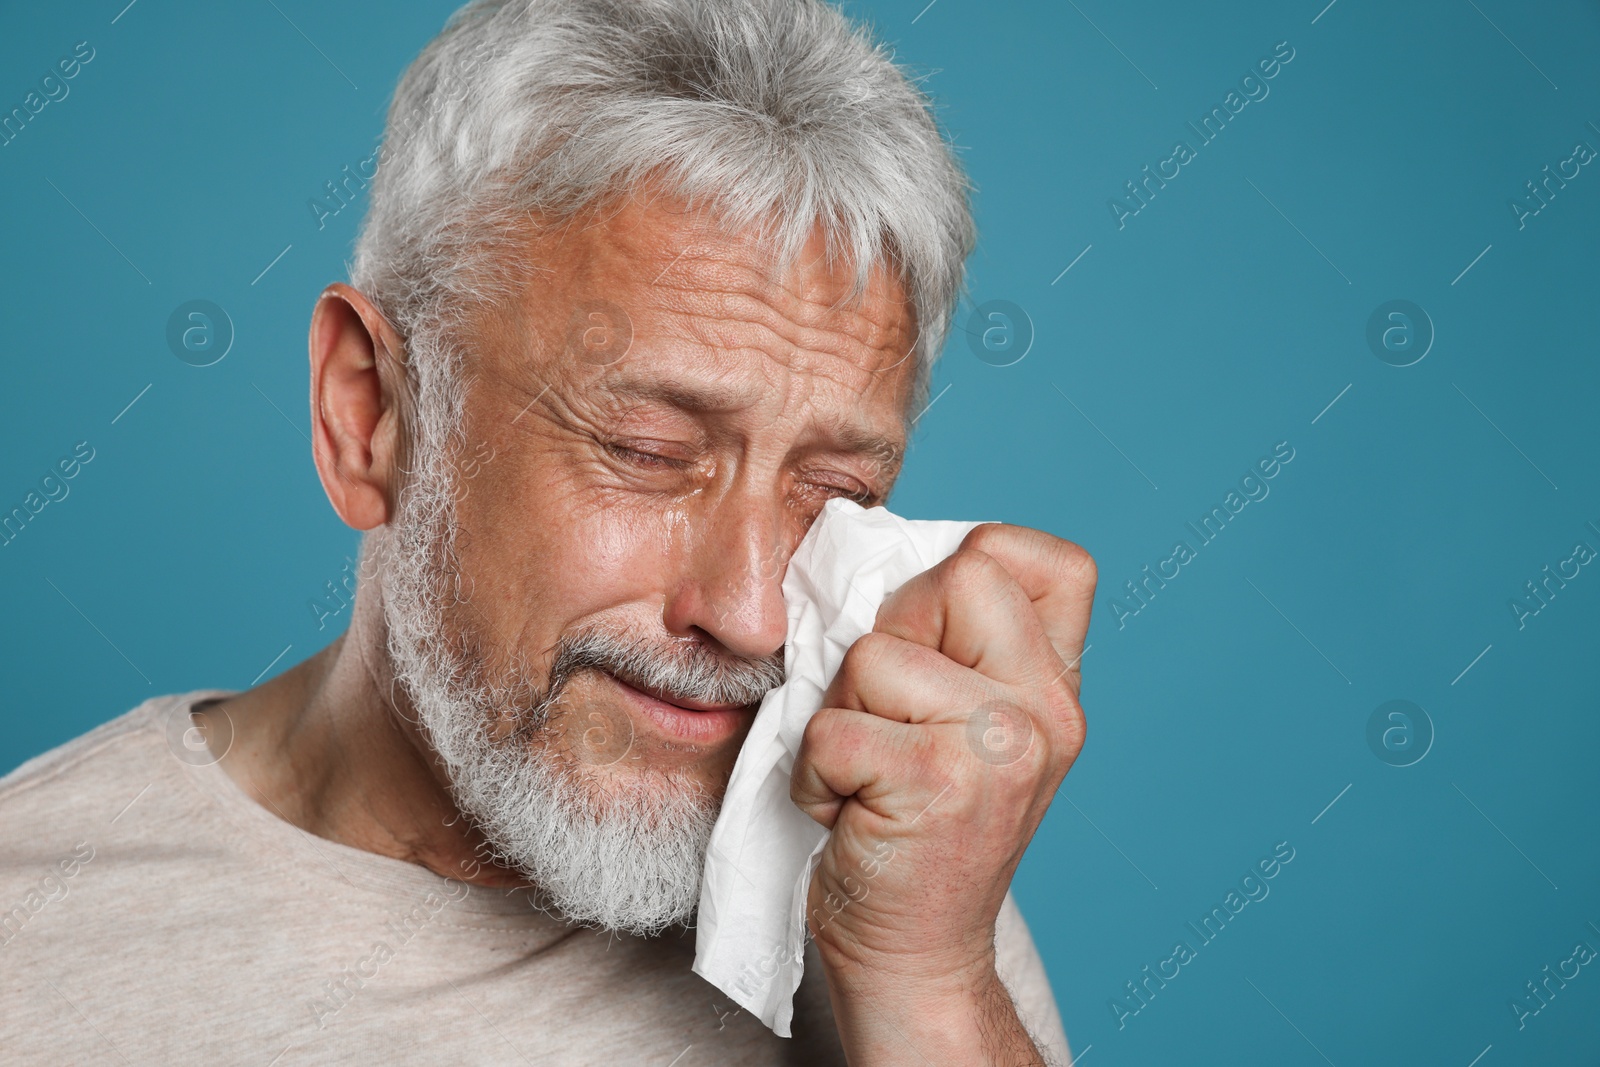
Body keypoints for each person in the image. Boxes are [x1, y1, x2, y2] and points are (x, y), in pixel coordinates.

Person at [0, 0, 1096, 1062]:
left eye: (834, 493)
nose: (753, 614)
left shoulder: (900, 884)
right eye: (648, 453)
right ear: (370, 413)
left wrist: (932, 986)